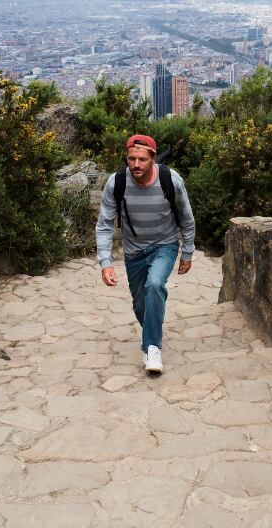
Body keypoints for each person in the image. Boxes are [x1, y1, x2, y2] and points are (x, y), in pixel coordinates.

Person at [95, 134, 195, 373]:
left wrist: (187, 252)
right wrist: (105, 262)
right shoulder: (116, 182)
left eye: (142, 159)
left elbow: (186, 218)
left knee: (154, 284)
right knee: (141, 306)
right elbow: (105, 224)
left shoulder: (170, 180)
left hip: (165, 245)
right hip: (134, 252)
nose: (136, 165)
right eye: (131, 159)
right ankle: (154, 313)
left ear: (152, 158)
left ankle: (152, 349)